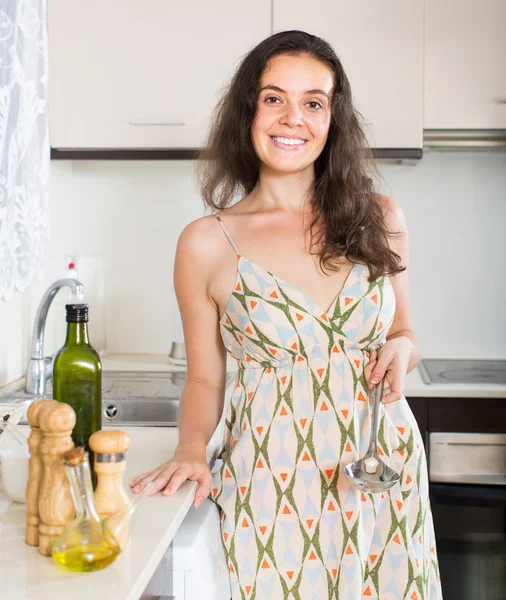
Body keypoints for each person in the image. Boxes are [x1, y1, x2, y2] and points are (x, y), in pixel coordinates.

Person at [131, 30, 442, 600]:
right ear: (248, 111)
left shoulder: (382, 217)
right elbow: (205, 378)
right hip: (272, 477)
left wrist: (402, 348)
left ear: (332, 120)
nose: (291, 118)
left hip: (380, 469)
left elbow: (404, 331)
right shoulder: (207, 242)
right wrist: (190, 450)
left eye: (313, 102)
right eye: (274, 98)